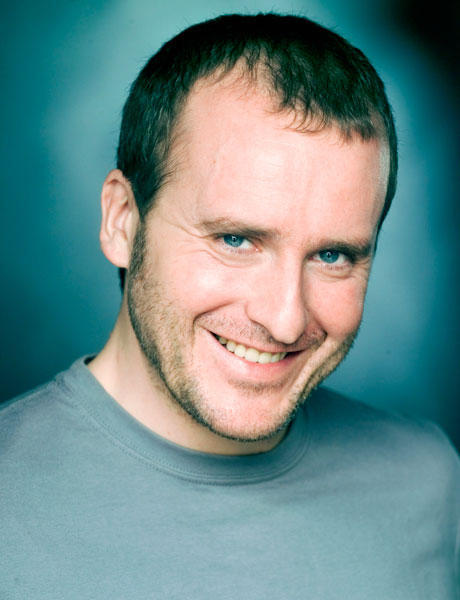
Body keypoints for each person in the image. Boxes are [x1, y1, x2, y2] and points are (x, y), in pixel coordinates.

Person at [1, 13, 458, 599]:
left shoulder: (429, 487)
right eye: (236, 240)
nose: (285, 319)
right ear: (122, 221)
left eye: (333, 255)